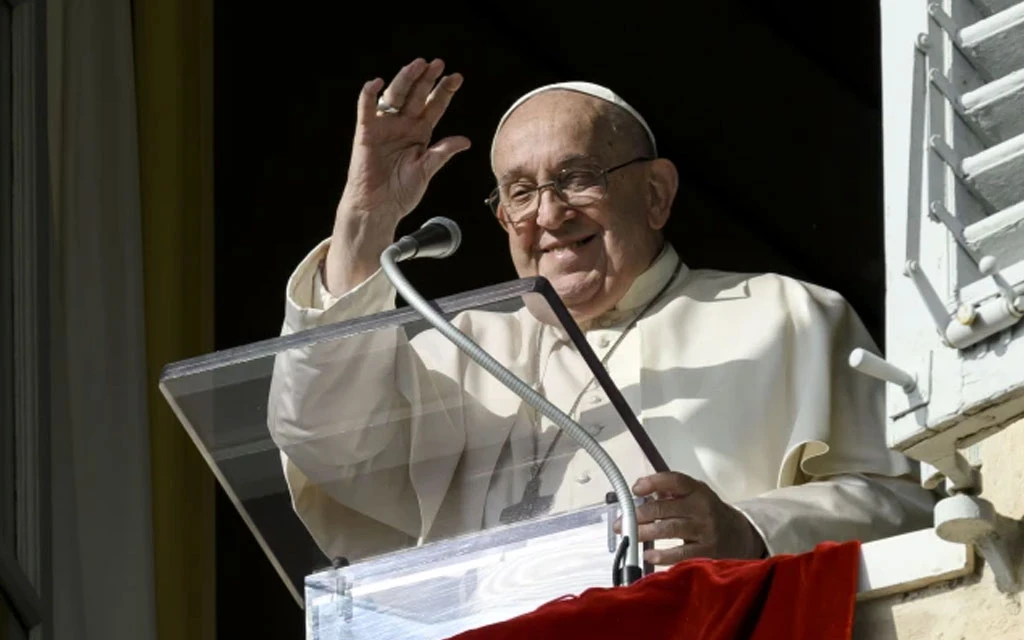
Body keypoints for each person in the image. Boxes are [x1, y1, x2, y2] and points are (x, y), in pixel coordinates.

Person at [268, 57, 935, 567]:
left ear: (655, 193)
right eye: (520, 193)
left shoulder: (788, 316)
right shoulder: (457, 346)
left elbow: (908, 506)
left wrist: (748, 530)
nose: (549, 216)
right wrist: (364, 223)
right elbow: (324, 441)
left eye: (577, 178)